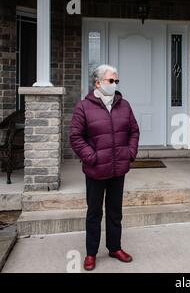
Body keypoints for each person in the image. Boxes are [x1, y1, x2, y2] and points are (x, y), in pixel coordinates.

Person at [70, 64, 140, 271]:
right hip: (96, 169)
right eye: (111, 80)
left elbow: (134, 131)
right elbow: (75, 137)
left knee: (115, 211)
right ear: (98, 82)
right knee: (94, 212)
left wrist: (130, 153)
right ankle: (91, 253)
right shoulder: (83, 107)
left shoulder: (124, 105)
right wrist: (92, 157)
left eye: (116, 81)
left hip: (119, 168)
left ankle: (114, 247)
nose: (115, 84)